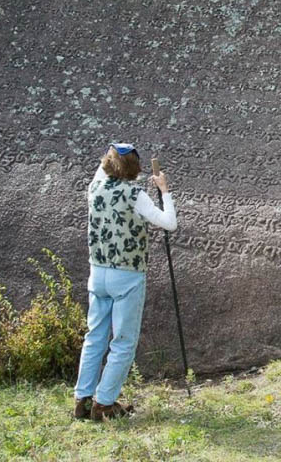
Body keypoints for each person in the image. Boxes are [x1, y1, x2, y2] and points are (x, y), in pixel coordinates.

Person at [72, 142, 177, 421]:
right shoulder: (135, 194)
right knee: (123, 341)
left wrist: (113, 154)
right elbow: (169, 223)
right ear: (135, 168)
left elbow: (103, 168)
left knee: (94, 337)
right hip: (127, 275)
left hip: (98, 271)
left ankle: (82, 399)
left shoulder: (95, 188)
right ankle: (104, 403)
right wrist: (164, 190)